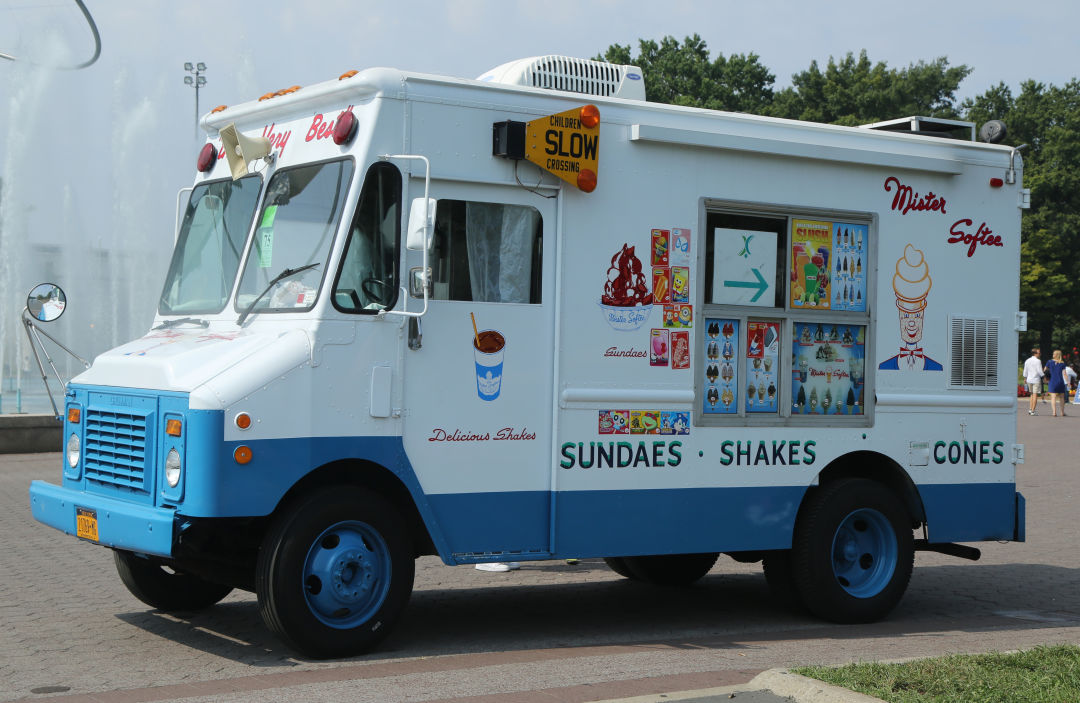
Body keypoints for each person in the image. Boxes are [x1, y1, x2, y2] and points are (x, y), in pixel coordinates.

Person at [1045, 350, 1069, 417]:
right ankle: (1062, 412)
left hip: (1052, 381)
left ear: (1055, 355)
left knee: (1053, 397)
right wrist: (1068, 382)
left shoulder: (1049, 362)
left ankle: (1054, 412)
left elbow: (1045, 370)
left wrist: (1046, 378)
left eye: (1054, 354)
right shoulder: (1062, 363)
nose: (1053, 354)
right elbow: (1064, 374)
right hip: (1060, 382)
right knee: (1062, 397)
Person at [1023, 348, 1043, 415]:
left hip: (1029, 379)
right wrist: (1044, 376)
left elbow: (1025, 370)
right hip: (1036, 379)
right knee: (1035, 395)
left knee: (1031, 395)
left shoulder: (1027, 360)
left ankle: (1030, 409)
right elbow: (1040, 371)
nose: (1040, 354)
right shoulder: (1038, 361)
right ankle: (1033, 411)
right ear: (1035, 353)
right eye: (1039, 353)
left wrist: (1025, 378)